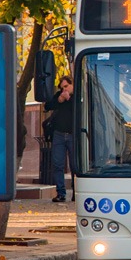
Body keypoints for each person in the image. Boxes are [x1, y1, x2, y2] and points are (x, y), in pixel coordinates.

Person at [45, 75, 76, 203]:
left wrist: (69, 100)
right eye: (62, 87)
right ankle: (61, 193)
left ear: (72, 84)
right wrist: (59, 99)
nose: (64, 90)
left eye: (66, 86)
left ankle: (76, 192)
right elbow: (47, 106)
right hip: (59, 134)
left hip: (73, 134)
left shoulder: (78, 96)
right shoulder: (60, 95)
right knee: (58, 164)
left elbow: (83, 110)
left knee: (75, 165)